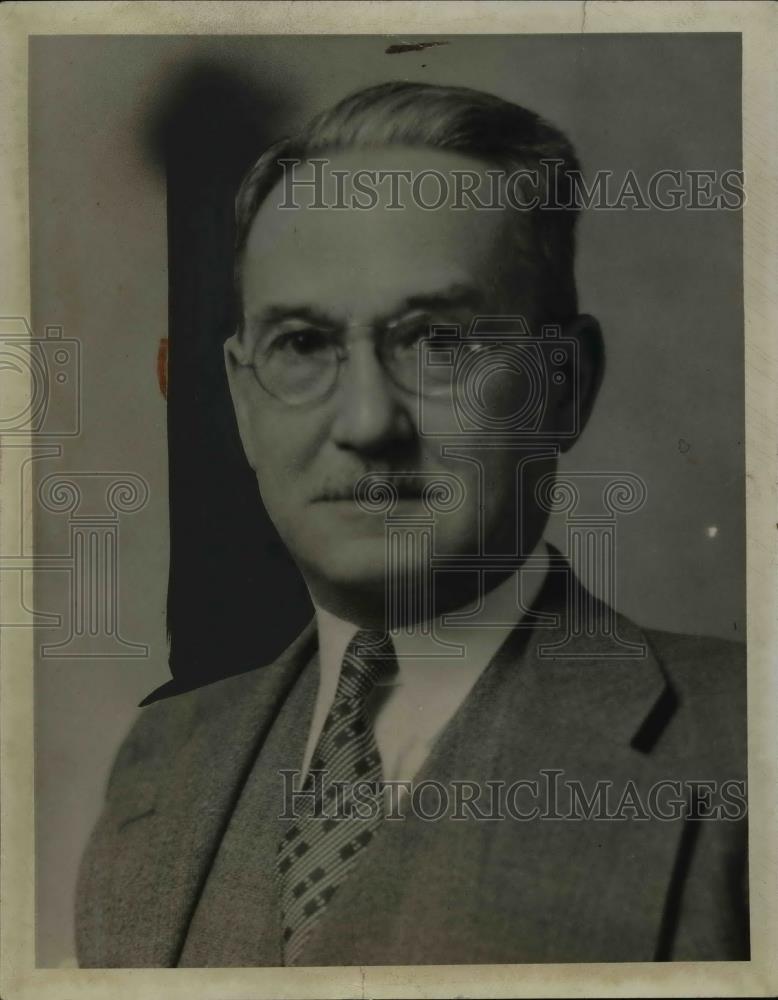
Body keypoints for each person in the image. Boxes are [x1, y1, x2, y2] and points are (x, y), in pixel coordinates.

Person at [76, 81, 748, 967]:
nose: (365, 422)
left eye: (439, 342)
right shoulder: (156, 763)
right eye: (305, 346)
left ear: (564, 383)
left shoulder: (745, 739)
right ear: (243, 399)